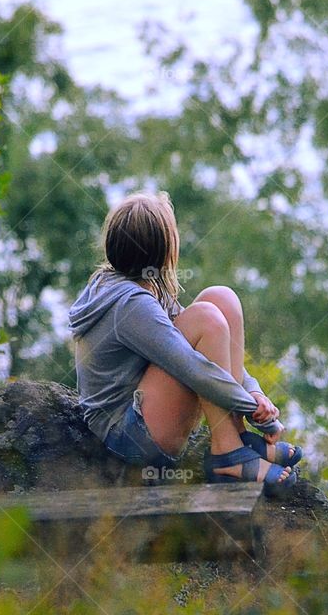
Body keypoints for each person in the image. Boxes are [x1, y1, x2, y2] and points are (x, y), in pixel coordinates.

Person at [67, 192, 301, 489]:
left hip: (143, 410)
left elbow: (210, 352)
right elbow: (193, 367)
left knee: (221, 299)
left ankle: (236, 438)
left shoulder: (147, 285)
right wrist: (257, 414)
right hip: (125, 436)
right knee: (206, 318)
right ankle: (227, 455)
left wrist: (254, 392)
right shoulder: (131, 305)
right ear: (163, 249)